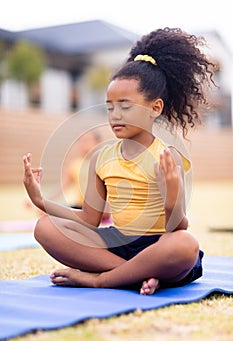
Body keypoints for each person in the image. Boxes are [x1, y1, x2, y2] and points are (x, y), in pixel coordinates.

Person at [23, 27, 216, 295]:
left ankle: (101, 279)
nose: (115, 114)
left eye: (125, 106)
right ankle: (137, 276)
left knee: (185, 244)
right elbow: (90, 219)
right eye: (110, 106)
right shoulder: (101, 157)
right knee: (44, 227)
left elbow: (178, 227)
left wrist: (172, 198)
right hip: (118, 244)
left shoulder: (166, 155)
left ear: (155, 108)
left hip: (159, 246)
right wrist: (40, 201)